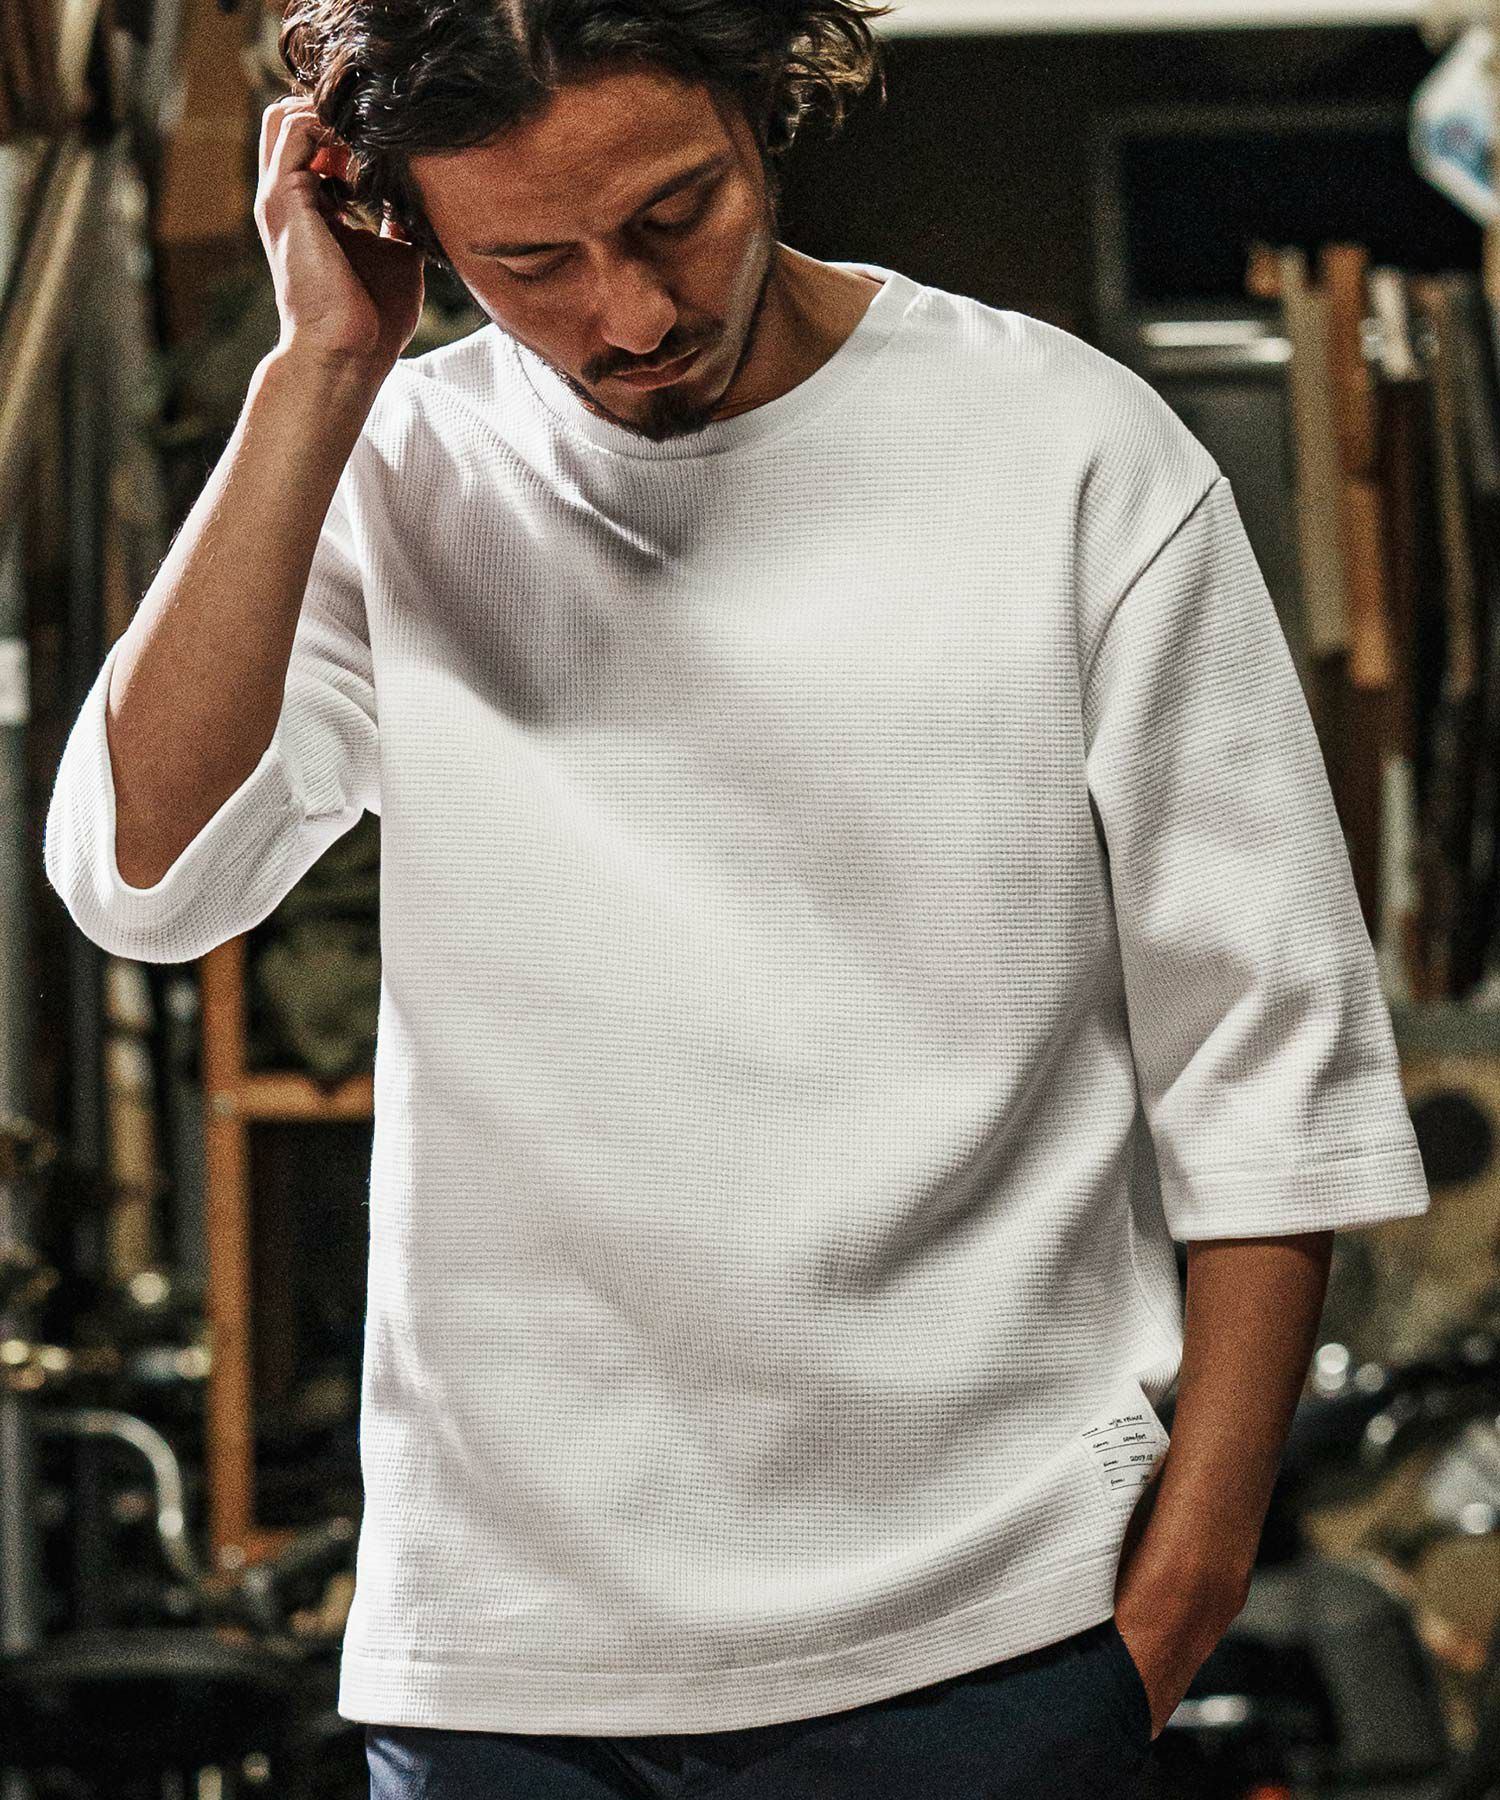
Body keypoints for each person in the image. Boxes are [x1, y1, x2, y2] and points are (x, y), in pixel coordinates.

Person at [42, 1, 1433, 1794]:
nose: (629, 314)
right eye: (529, 263)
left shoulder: (1070, 456)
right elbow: (141, 880)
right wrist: (319, 369)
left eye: (674, 214)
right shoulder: (395, 469)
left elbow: (1274, 1078)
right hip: (505, 1666)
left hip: (985, 1639)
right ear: (409, 226)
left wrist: (1177, 1600)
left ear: (760, 108)